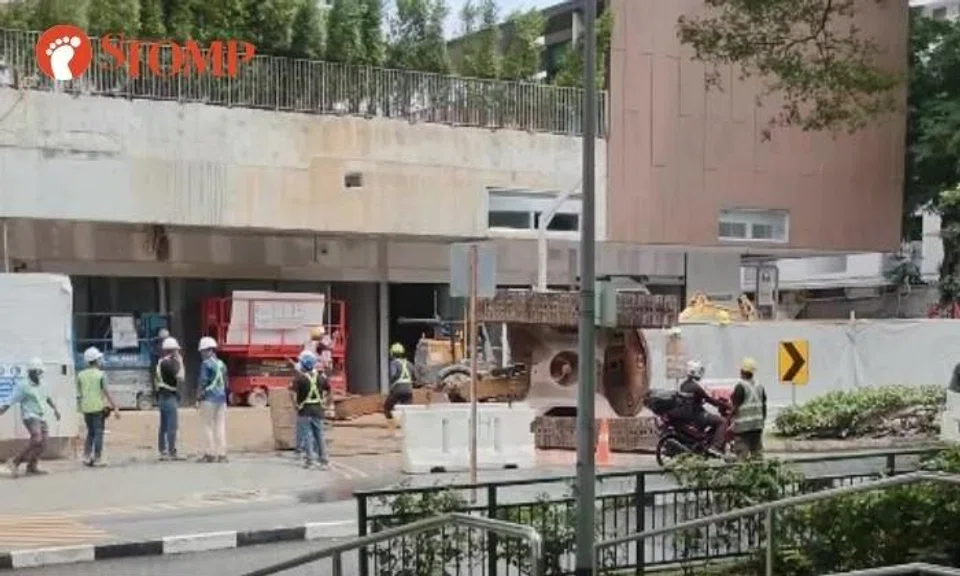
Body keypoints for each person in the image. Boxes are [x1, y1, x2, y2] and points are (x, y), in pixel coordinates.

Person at [0, 358, 61, 477]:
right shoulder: (23, 385)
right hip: (30, 416)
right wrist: (2, 410)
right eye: (39, 372)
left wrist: (55, 409)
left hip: (41, 416)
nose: (41, 374)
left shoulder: (42, 384)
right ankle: (14, 461)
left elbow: (47, 397)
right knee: (37, 437)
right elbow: (11, 400)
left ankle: (32, 467)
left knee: (43, 443)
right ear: (32, 372)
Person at [77, 346, 119, 467]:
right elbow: (106, 392)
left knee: (90, 432)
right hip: (97, 407)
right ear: (96, 360)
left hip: (85, 408)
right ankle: (97, 458)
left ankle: (86, 456)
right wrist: (115, 407)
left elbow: (80, 393)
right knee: (98, 433)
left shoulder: (80, 375)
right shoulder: (101, 375)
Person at [678, 360, 728, 456]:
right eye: (699, 371)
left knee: (714, 420)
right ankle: (716, 447)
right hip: (698, 415)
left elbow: (702, 399)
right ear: (694, 371)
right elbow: (709, 399)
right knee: (722, 421)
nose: (700, 374)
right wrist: (722, 404)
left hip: (690, 415)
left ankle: (707, 443)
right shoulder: (696, 387)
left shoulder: (683, 385)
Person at [290, 351, 330, 469]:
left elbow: (291, 393)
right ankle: (324, 461)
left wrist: (295, 405)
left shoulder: (299, 379)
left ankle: (310, 461)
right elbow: (329, 391)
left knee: (307, 435)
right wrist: (326, 404)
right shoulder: (321, 378)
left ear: (303, 365)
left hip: (305, 411)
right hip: (318, 409)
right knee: (319, 435)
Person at [197, 337, 228, 463]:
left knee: (207, 426)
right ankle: (222, 454)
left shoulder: (206, 364)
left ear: (208, 350)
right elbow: (226, 382)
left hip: (209, 398)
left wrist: (198, 397)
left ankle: (209, 453)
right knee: (220, 426)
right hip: (221, 398)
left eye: (202, 351)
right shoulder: (222, 364)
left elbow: (203, 382)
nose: (201, 354)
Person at [730, 357, 767, 459]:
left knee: (742, 455)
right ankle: (760, 474)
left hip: (743, 428)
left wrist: (727, 421)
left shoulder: (740, 386)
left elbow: (735, 407)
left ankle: (742, 474)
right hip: (757, 426)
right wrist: (762, 422)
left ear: (742, 371)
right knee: (757, 454)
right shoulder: (760, 386)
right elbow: (763, 406)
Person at [154, 336, 184, 461]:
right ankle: (171, 451)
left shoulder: (161, 362)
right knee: (172, 425)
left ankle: (163, 451)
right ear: (172, 350)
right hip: (169, 397)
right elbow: (181, 377)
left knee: (164, 426)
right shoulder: (168, 363)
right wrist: (181, 363)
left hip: (162, 396)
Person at [384, 342, 414, 428]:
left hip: (397, 389)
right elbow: (414, 376)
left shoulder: (394, 363)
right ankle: (406, 425)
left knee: (387, 407)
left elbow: (393, 375)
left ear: (392, 353)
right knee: (406, 409)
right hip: (409, 390)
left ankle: (392, 425)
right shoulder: (409, 363)